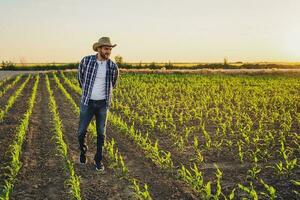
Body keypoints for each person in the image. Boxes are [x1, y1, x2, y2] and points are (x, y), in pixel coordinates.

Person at [77, 36, 119, 171]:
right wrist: (88, 93)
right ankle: (83, 151)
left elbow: (114, 84)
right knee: (81, 132)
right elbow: (80, 78)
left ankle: (98, 160)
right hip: (87, 103)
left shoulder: (113, 66)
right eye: (106, 49)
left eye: (110, 50)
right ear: (99, 49)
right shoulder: (86, 61)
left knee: (101, 133)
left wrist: (104, 98)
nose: (108, 52)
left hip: (103, 104)